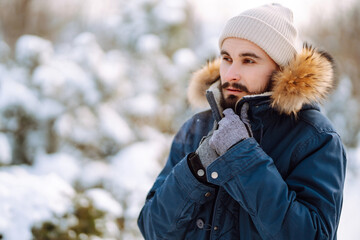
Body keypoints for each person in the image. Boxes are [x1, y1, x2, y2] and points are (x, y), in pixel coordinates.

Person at [138, 3, 346, 240]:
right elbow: (152, 229)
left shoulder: (315, 137)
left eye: (248, 61)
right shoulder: (197, 128)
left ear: (280, 69)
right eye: (227, 58)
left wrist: (242, 156)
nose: (230, 73)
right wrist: (196, 170)